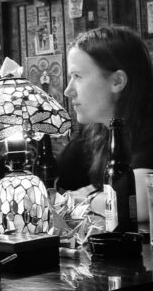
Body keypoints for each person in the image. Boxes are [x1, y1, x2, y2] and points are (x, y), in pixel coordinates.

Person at [57, 26, 153, 222]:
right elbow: (54, 185)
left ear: (117, 81)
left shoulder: (148, 123)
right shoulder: (95, 129)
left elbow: (139, 203)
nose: (68, 91)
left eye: (77, 76)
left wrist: (89, 198)